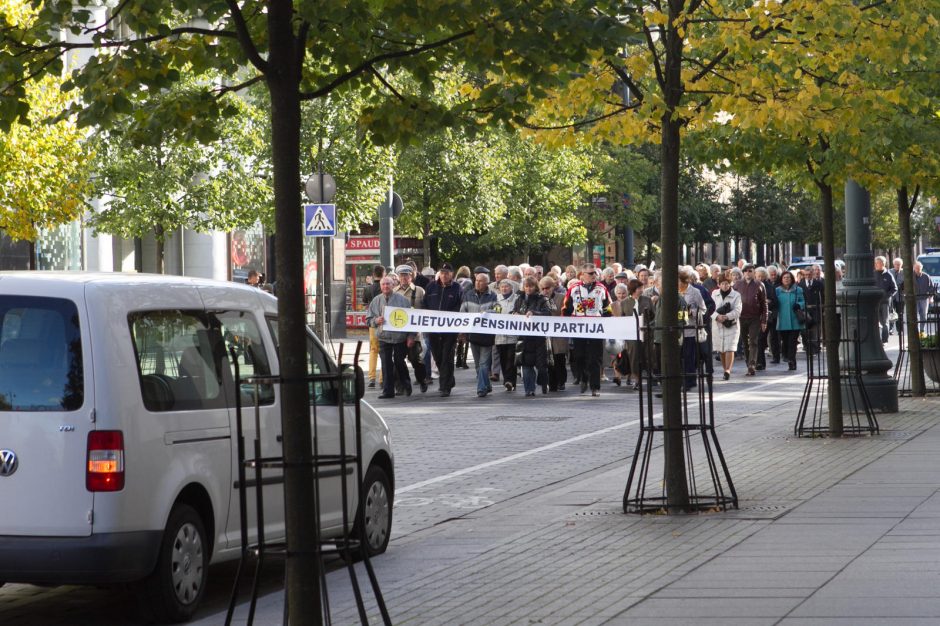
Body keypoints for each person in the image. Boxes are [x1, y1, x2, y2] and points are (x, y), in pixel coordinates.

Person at [563, 263, 612, 396]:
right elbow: (566, 309)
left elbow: (608, 308)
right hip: (579, 329)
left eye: (595, 273)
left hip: (596, 328)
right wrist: (566, 324)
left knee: (595, 358)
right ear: (582, 275)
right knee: (579, 356)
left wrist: (608, 322)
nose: (594, 275)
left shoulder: (602, 289)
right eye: (590, 273)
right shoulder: (573, 289)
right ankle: (583, 377)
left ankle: (595, 387)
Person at [365, 277, 414, 399]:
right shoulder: (376, 301)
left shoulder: (403, 300)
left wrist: (411, 336)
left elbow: (412, 320)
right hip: (383, 337)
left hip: (400, 337)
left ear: (393, 285)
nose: (385, 286)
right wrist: (376, 320)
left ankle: (406, 383)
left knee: (399, 362)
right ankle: (388, 391)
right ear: (380, 286)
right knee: (386, 364)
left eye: (388, 284)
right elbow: (368, 320)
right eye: (383, 284)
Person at [422, 262, 463, 397]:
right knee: (438, 357)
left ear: (451, 274)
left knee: (447, 357)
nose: (444, 275)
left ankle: (445, 386)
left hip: (450, 330)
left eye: (447, 273)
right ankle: (449, 380)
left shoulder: (457, 288)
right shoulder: (431, 286)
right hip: (433, 329)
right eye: (442, 272)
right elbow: (424, 305)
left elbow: (460, 307)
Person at [459, 272, 498, 397]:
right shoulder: (468, 295)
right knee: (477, 365)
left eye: (481, 281)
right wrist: (462, 332)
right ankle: (487, 385)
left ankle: (481, 388)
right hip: (473, 335)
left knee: (483, 364)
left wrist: (488, 312)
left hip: (487, 335)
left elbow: (499, 310)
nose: (477, 283)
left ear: (487, 283)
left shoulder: (493, 296)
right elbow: (462, 313)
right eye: (476, 280)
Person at [513, 277, 551, 396]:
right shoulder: (519, 299)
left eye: (531, 286)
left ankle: (544, 384)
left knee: (541, 366)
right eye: (526, 286)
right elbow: (514, 311)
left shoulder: (543, 299)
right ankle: (529, 389)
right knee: (526, 365)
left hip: (539, 338)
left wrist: (534, 313)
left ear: (535, 287)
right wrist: (514, 314)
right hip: (524, 338)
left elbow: (548, 313)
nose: (528, 288)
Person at [394, 264, 428, 393]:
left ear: (411, 276)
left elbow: (425, 310)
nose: (404, 278)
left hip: (415, 333)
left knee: (415, 359)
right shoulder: (394, 291)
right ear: (398, 277)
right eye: (402, 275)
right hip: (398, 333)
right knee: (398, 360)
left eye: (406, 275)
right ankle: (402, 384)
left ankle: (422, 379)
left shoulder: (419, 291)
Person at [734, 264, 767, 376]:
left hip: (755, 318)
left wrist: (764, 321)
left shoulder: (759, 285)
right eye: (746, 271)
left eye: (750, 271)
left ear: (754, 272)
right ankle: (748, 362)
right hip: (741, 317)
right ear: (743, 273)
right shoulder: (737, 285)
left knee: (753, 341)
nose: (748, 273)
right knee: (744, 342)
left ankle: (752, 365)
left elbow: (764, 304)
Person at [712, 271, 742, 380]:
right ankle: (725, 369)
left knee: (730, 347)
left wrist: (726, 316)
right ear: (719, 284)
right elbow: (711, 309)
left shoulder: (736, 295)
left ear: (731, 284)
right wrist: (716, 316)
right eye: (723, 283)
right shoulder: (714, 294)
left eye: (727, 283)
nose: (725, 286)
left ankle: (728, 370)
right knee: (721, 349)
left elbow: (738, 310)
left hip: (731, 325)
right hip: (718, 325)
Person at [540, 276, 569, 392]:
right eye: (542, 288)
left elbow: (561, 312)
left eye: (547, 288)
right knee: (548, 360)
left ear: (552, 287)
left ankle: (561, 381)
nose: (544, 291)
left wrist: (548, 301)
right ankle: (552, 383)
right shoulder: (538, 298)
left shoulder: (561, 297)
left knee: (559, 358)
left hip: (558, 334)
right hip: (545, 334)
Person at [493, 279, 521, 391]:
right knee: (503, 359)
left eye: (506, 287)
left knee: (511, 359)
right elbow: (493, 312)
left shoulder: (517, 299)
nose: (504, 289)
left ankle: (510, 381)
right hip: (499, 336)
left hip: (512, 336)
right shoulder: (496, 299)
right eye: (502, 287)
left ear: (511, 288)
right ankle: (507, 380)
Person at [775, 270, 805, 370]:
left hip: (795, 319)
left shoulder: (798, 289)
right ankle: (787, 356)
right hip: (783, 320)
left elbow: (803, 301)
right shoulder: (777, 290)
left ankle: (792, 361)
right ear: (781, 279)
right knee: (785, 341)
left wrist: (799, 305)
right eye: (784, 277)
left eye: (788, 277)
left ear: (792, 279)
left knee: (792, 341)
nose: (786, 279)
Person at [363, 265, 385, 388]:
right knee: (384, 350)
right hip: (384, 322)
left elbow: (366, 306)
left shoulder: (368, 289)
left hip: (372, 323)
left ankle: (371, 378)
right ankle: (382, 378)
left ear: (373, 274)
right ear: (384, 274)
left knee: (373, 350)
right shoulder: (385, 287)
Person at [797, 265, 823, 356]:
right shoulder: (800, 285)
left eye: (809, 274)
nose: (807, 276)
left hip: (816, 309)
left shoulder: (819, 284)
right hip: (805, 310)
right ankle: (808, 347)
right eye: (806, 275)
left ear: (813, 274)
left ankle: (815, 348)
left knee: (815, 330)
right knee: (805, 331)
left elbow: (823, 296)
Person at [755, 267, 777, 370]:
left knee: (762, 338)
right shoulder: (753, 285)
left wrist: (767, 302)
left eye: (762, 276)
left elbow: (774, 301)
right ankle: (759, 362)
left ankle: (761, 362)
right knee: (759, 339)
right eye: (758, 276)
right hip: (755, 316)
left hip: (767, 316)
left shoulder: (768, 286)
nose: (760, 278)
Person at [874, 256, 897, 344]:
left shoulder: (889, 275)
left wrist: (887, 296)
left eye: (881, 263)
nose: (879, 265)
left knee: (884, 322)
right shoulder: (872, 274)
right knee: (875, 321)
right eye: (877, 263)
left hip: (885, 302)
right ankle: (877, 340)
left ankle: (884, 340)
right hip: (874, 302)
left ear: (884, 264)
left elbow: (894, 288)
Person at [889, 258, 904, 335]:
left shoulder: (904, 272)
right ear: (894, 264)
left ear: (901, 265)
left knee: (900, 313)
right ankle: (890, 329)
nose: (897, 266)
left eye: (899, 264)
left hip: (900, 296)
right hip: (891, 296)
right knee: (891, 313)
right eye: (896, 264)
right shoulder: (889, 272)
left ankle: (900, 330)